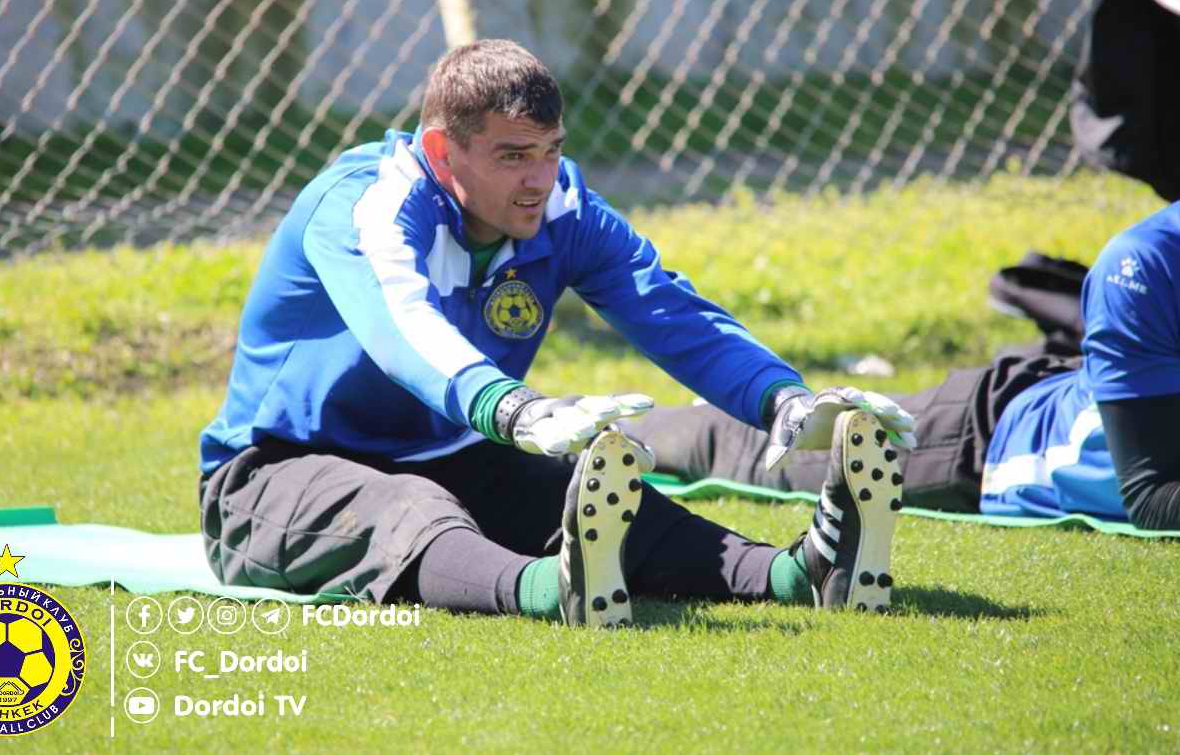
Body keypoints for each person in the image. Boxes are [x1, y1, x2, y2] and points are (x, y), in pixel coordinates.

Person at [197, 39, 916, 627]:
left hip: (452, 450)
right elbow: (404, 329)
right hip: (271, 476)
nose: (540, 177)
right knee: (412, 510)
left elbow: (669, 312)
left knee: (604, 504)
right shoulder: (366, 204)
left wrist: (783, 398)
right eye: (513, 155)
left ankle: (801, 574)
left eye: (550, 149)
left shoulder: (563, 208)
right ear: (443, 152)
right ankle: (552, 589)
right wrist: (515, 408)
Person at [630, 201, 1180, 531]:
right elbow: (1149, 496)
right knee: (756, 446)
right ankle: (607, 429)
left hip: (1047, 391)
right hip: (987, 442)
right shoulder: (1144, 261)